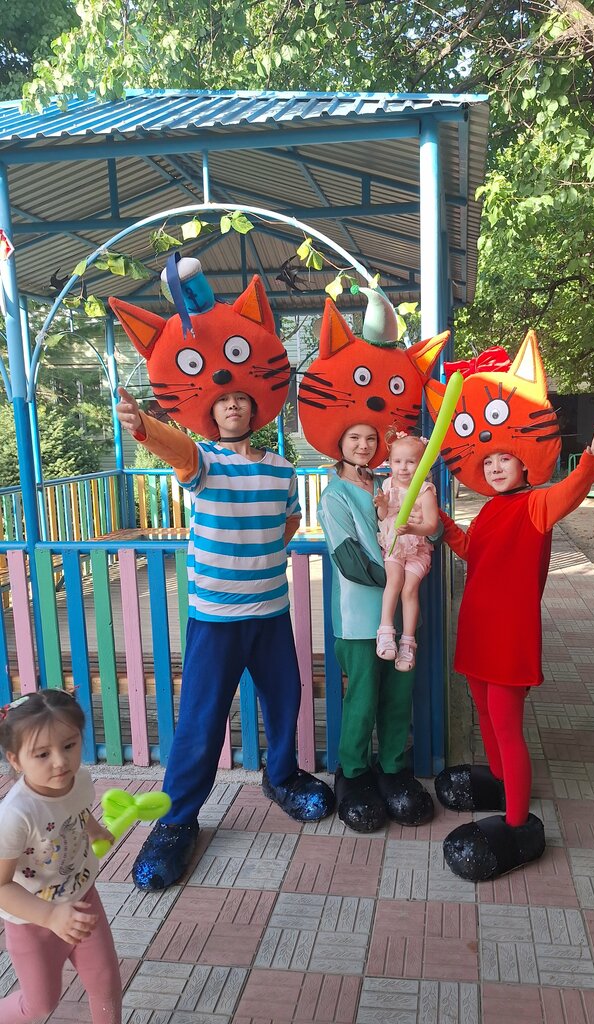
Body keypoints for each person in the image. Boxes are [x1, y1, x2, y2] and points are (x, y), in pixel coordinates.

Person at [109, 256, 334, 892]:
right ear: (211, 410)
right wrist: (145, 428)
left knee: (286, 699)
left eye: (241, 399)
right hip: (215, 618)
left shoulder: (282, 469)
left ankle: (282, 777)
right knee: (202, 721)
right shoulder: (201, 461)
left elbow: (289, 522)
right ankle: (177, 819)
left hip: (270, 613)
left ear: (257, 407)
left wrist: (259, 555)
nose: (233, 406)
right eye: (224, 401)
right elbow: (175, 449)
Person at [423, 332, 594, 881]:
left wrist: (590, 468)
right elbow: (472, 552)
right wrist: (442, 524)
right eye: (490, 460)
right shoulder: (490, 510)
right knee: (484, 712)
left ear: (525, 460)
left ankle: (515, 821)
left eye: (506, 457)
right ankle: (503, 783)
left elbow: (567, 494)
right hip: (478, 630)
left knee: (506, 724)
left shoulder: (535, 505)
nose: (497, 466)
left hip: (508, 638)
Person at [317, 424, 435, 831]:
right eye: (354, 438)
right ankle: (352, 771)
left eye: (370, 438)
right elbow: (348, 557)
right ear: (339, 443)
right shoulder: (334, 495)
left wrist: (424, 535)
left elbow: (430, 527)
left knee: (399, 694)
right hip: (358, 616)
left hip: (400, 617)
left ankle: (392, 768)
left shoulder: (392, 482)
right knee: (363, 697)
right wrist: (400, 577)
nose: (363, 445)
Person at [0, 690, 122, 1024]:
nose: (60, 762)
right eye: (42, 754)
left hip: (82, 900)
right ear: (15, 760)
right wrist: (51, 916)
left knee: (106, 984)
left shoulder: (79, 779)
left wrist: (94, 829)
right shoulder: (14, 815)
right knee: (39, 1005)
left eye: (69, 745)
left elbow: (76, 808)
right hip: (31, 922)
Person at [374, 431, 438, 671]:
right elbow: (383, 517)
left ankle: (408, 643)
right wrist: (382, 506)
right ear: (390, 462)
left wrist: (412, 528)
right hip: (394, 545)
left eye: (410, 462)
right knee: (394, 580)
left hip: (417, 550)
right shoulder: (387, 485)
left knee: (410, 589)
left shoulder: (425, 491)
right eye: (397, 461)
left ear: (421, 464)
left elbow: (431, 525)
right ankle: (385, 631)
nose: (403, 468)